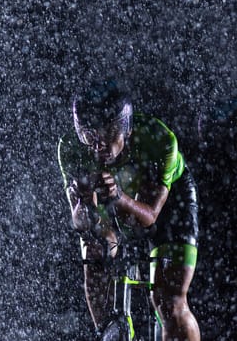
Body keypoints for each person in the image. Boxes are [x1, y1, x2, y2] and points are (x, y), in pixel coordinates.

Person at [58, 79, 200, 340]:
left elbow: (150, 218)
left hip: (169, 204)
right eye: (89, 137)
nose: (97, 146)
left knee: (169, 303)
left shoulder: (160, 139)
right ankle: (110, 332)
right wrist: (83, 202)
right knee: (95, 249)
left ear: (125, 129)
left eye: (106, 134)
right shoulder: (70, 148)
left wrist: (119, 197)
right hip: (111, 201)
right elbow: (81, 224)